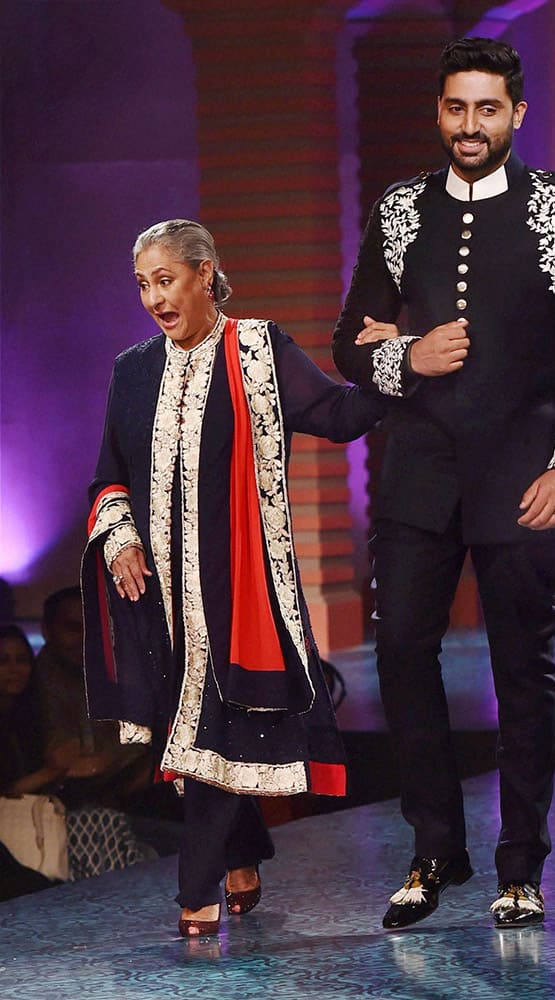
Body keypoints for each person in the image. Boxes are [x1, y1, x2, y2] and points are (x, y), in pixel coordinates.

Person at [332, 36, 555, 930]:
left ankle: (520, 865)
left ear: (516, 115)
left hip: (524, 475)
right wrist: (402, 354)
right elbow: (350, 342)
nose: (469, 125)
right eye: (455, 108)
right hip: (420, 473)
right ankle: (434, 850)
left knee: (519, 669)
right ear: (438, 113)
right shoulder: (400, 209)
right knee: (402, 656)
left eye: (486, 109)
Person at [81, 219, 386, 937]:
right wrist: (121, 540)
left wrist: (386, 365)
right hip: (160, 595)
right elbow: (108, 476)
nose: (155, 298)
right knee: (189, 736)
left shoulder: (257, 349)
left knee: (210, 727)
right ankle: (242, 852)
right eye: (144, 286)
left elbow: (339, 416)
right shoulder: (133, 370)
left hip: (238, 588)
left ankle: (196, 887)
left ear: (204, 273)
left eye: (167, 280)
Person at [0, 624, 148, 894]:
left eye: (21, 660)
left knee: (105, 822)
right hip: (11, 831)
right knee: (98, 823)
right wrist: (54, 769)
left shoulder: (30, 716)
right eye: (4, 661)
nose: (14, 669)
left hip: (49, 813)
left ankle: (117, 905)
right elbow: (8, 789)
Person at [35, 586, 153, 807]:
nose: (85, 638)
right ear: (47, 630)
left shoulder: (108, 675)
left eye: (93, 627)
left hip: (113, 803)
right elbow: (72, 763)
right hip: (50, 812)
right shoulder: (30, 685)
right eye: (73, 628)